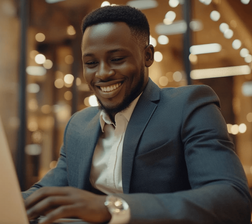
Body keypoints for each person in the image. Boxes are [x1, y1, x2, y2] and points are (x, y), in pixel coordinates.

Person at [22, 5, 251, 224]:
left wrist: (110, 207)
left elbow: (232, 200)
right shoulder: (79, 125)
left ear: (148, 56)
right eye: (91, 63)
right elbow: (45, 192)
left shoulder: (189, 106)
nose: (102, 73)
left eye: (117, 59)